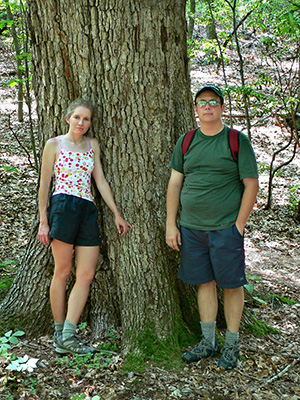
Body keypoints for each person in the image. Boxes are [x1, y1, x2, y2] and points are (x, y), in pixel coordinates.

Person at [166, 84, 259, 370]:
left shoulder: (236, 141)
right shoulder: (186, 141)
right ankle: (208, 342)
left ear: (221, 108)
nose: (207, 107)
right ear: (195, 109)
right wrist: (171, 224)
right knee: (204, 283)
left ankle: (232, 344)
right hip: (191, 229)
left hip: (225, 229)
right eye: (202, 102)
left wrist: (238, 226)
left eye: (213, 102)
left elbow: (251, 185)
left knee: (231, 285)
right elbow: (175, 183)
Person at [38, 98, 132, 356]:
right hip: (63, 206)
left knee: (86, 274)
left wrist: (116, 213)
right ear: (68, 118)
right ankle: (59, 333)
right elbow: (44, 185)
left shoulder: (93, 146)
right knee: (63, 270)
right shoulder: (54, 145)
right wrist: (43, 221)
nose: (81, 122)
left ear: (90, 123)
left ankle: (69, 333)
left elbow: (99, 180)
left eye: (86, 119)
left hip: (88, 209)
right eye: (77, 117)